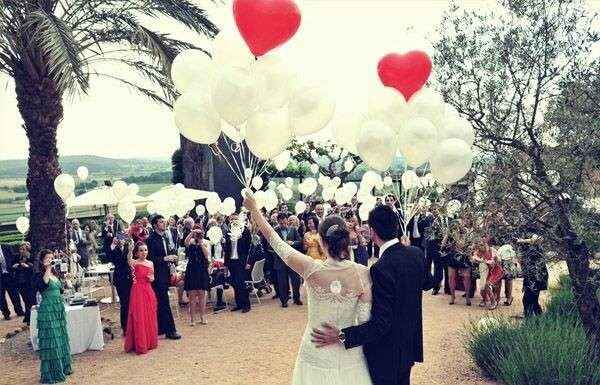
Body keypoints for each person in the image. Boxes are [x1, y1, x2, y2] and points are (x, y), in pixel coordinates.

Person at [243, 191, 373, 385]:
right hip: (349, 354)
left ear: (321, 240)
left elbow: (276, 242)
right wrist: (343, 335)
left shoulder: (312, 269)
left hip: (315, 349)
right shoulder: (363, 273)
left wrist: (254, 210)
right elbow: (365, 322)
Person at [311, 204, 425, 385]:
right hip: (409, 345)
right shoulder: (416, 254)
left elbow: (381, 323)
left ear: (372, 232)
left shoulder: (381, 268)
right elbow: (429, 282)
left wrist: (341, 335)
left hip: (386, 354)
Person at [35, 249, 73, 383]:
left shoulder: (55, 274)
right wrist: (47, 268)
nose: (51, 260)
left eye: (52, 258)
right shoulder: (40, 274)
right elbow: (43, 285)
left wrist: (67, 280)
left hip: (58, 308)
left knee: (60, 338)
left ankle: (63, 367)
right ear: (42, 260)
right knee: (51, 341)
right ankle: (52, 372)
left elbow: (61, 290)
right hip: (48, 310)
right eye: (48, 258)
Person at [146, 215, 181, 340]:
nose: (164, 223)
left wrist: (172, 266)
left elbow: (167, 254)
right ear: (155, 225)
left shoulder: (165, 237)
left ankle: (160, 328)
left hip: (166, 274)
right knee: (164, 302)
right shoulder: (150, 239)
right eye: (161, 222)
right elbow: (149, 259)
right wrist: (165, 258)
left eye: (164, 221)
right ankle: (170, 330)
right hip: (157, 276)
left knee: (161, 302)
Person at [124, 242, 159, 354]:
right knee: (139, 316)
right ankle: (139, 343)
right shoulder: (134, 262)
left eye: (145, 250)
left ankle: (149, 341)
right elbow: (128, 260)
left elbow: (153, 276)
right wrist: (129, 249)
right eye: (141, 250)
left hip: (148, 290)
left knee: (149, 314)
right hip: (137, 291)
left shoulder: (150, 263)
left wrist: (151, 278)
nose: (144, 253)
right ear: (137, 252)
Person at [224, 214, 253, 313]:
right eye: (231, 219)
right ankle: (239, 304)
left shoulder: (245, 231)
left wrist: (249, 262)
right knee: (235, 284)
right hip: (232, 261)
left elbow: (250, 248)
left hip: (242, 261)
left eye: (235, 219)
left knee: (241, 283)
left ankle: (246, 305)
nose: (233, 221)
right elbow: (226, 250)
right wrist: (226, 265)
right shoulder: (228, 233)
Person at [273, 213, 303, 308]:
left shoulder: (293, 229)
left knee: (295, 280)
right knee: (282, 281)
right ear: (278, 221)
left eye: (284, 220)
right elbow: (270, 245)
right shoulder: (275, 231)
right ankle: (284, 301)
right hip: (280, 260)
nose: (282, 222)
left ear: (287, 220)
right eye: (280, 221)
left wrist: (292, 242)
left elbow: (300, 242)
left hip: (292, 259)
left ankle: (297, 298)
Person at [184, 225, 211, 325]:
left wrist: (200, 243)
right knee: (192, 295)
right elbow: (185, 242)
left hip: (202, 269)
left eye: (199, 233)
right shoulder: (190, 241)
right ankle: (192, 318)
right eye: (196, 233)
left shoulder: (205, 242)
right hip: (192, 269)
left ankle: (203, 316)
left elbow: (207, 255)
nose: (198, 235)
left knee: (202, 294)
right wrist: (192, 233)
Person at [517, 231, 548, 317]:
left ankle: (530, 320)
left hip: (537, 276)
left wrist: (522, 241)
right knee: (532, 301)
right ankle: (538, 318)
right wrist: (525, 284)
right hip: (533, 276)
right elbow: (527, 272)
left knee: (528, 300)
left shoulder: (534, 248)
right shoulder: (527, 256)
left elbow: (536, 239)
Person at [105, 237, 133, 333]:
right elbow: (109, 258)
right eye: (119, 238)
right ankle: (125, 327)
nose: (122, 240)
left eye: (123, 238)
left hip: (129, 278)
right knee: (124, 303)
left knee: (131, 301)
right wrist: (113, 245)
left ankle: (132, 324)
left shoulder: (128, 247)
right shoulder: (114, 248)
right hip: (120, 279)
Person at [443, 222, 472, 306]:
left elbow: (469, 245)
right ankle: (452, 296)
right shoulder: (450, 234)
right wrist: (447, 235)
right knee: (451, 277)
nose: (458, 227)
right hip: (452, 256)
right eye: (456, 225)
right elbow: (443, 245)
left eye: (460, 225)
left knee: (466, 277)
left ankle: (467, 296)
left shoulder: (466, 233)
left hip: (464, 257)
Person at [472, 238, 503, 310]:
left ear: (486, 244)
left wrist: (494, 260)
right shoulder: (479, 251)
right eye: (479, 245)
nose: (480, 247)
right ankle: (485, 299)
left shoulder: (492, 250)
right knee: (483, 285)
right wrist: (480, 260)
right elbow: (474, 258)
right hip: (488, 271)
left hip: (496, 271)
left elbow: (497, 260)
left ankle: (493, 301)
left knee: (488, 284)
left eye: (482, 244)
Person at [0, 243, 25, 320]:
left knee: (15, 294)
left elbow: (14, 258)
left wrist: (16, 265)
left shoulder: (6, 247)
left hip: (10, 275)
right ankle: (6, 314)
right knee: (1, 297)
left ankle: (19, 311)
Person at [13, 242, 35, 324]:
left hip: (29, 282)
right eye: (20, 249)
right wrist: (19, 265)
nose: (21, 251)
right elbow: (13, 266)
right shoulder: (17, 257)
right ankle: (27, 316)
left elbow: (33, 269)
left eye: (23, 249)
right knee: (25, 300)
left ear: (27, 250)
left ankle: (30, 318)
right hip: (20, 282)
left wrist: (27, 266)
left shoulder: (31, 257)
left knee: (30, 300)